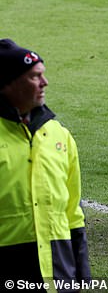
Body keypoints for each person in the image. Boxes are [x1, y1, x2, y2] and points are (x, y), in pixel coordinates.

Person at [0, 39, 91, 287]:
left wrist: (82, 274)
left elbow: (74, 213)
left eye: (43, 75)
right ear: (8, 84)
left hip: (59, 269)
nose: (44, 83)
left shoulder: (59, 135)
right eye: (34, 77)